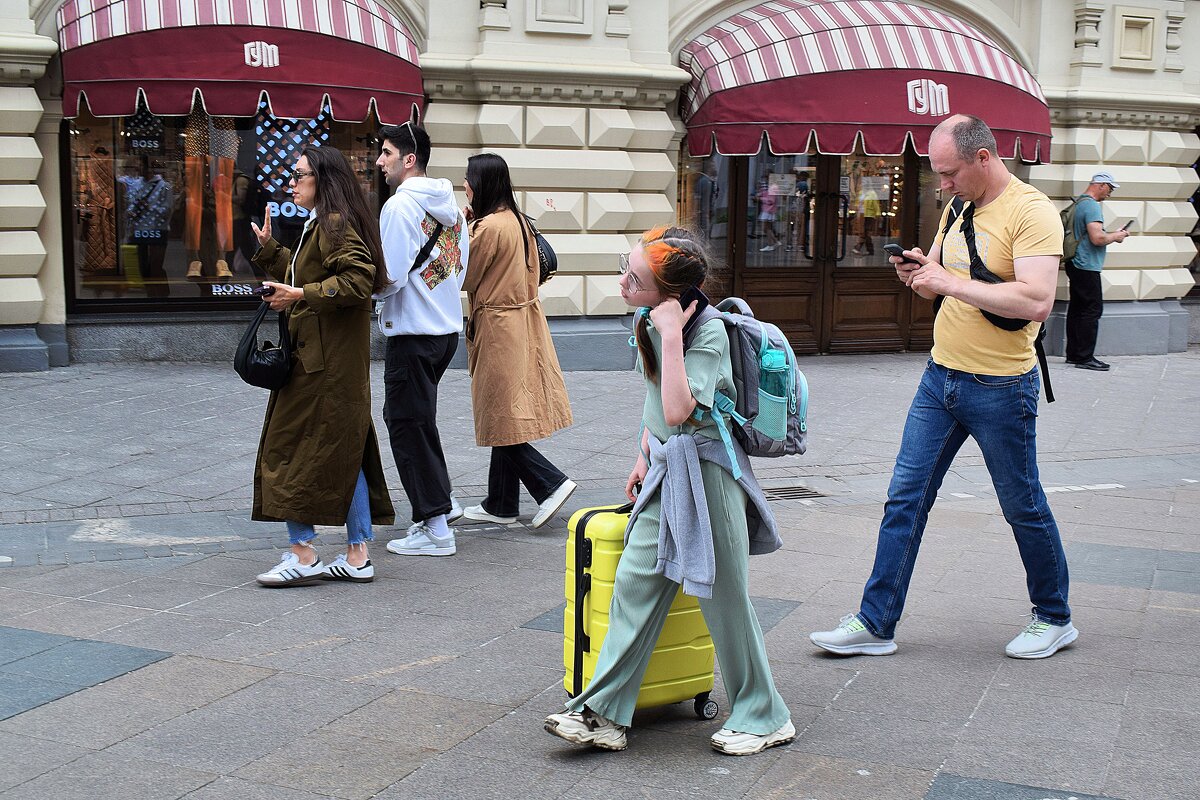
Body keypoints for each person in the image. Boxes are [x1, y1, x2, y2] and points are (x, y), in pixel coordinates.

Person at [810, 114, 1077, 660]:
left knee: (1022, 505)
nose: (942, 185)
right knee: (904, 499)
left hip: (1002, 387)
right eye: (938, 173)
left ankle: (1054, 617)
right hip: (940, 380)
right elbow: (939, 284)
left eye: (949, 173)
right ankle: (874, 623)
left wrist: (948, 281)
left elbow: (1035, 302)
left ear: (984, 158)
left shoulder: (1032, 213)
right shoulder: (958, 208)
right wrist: (919, 274)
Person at [544, 225, 793, 755]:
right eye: (625, 270)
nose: (622, 284)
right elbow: (656, 399)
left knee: (725, 599)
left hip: (709, 474)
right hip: (666, 468)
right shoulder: (645, 320)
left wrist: (675, 335)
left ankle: (765, 713)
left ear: (668, 293)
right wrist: (642, 453)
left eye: (633, 279)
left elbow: (682, 408)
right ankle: (603, 713)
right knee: (635, 583)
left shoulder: (707, 332)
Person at [249, 145, 395, 586]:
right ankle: (357, 556)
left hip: (323, 366)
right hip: (326, 363)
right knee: (343, 451)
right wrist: (271, 251)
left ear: (323, 179)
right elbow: (308, 274)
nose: (291, 183)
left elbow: (356, 280)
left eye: (300, 175)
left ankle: (302, 552)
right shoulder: (324, 223)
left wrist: (297, 296)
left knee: (286, 449)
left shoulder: (333, 223)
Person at [457, 153, 576, 530]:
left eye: (468, 180)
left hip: (498, 327)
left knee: (501, 414)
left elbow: (461, 275)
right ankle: (501, 502)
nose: (465, 186)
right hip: (520, 322)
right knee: (502, 413)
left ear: (481, 185)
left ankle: (550, 484)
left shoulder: (489, 227)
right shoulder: (519, 220)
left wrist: (462, 230)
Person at [373, 122, 470, 557]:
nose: (380, 161)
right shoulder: (450, 206)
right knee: (419, 421)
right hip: (445, 328)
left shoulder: (399, 209)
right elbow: (457, 268)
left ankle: (434, 526)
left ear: (408, 159)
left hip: (413, 332)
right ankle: (441, 506)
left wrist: (365, 289)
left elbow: (390, 276)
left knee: (406, 425)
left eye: (387, 153)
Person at [1065, 172, 1129, 371]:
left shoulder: (1079, 203)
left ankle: (1074, 353)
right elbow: (1097, 238)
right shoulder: (1092, 206)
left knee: (1077, 308)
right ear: (1100, 185)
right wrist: (1117, 236)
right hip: (1087, 265)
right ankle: (1085, 357)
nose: (1110, 193)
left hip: (1075, 262)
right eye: (1110, 188)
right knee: (1092, 310)